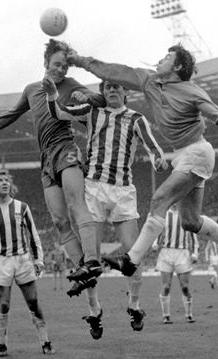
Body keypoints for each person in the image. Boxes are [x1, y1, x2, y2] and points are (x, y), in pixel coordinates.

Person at [67, 44, 218, 277]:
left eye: (167, 57)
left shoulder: (191, 91)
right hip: (183, 154)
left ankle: (130, 261)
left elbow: (214, 111)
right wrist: (80, 60)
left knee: (160, 199)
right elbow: (115, 72)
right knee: (190, 222)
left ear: (179, 66)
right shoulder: (149, 81)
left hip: (198, 152)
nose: (161, 60)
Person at [0, 38, 105, 299]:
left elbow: (98, 101)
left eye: (65, 66)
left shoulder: (70, 85)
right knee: (58, 220)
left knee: (76, 203)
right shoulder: (32, 89)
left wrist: (86, 96)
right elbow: (12, 113)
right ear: (46, 63)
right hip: (46, 159)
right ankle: (82, 268)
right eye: (57, 64)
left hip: (66, 148)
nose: (61, 70)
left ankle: (92, 261)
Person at [44, 78, 168, 336]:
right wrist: (53, 93)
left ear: (126, 91)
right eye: (107, 87)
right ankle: (94, 310)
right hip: (93, 189)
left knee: (133, 254)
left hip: (123, 191)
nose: (112, 90)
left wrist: (158, 160)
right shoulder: (92, 112)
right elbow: (59, 112)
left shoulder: (136, 119)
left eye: (117, 86)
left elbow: (153, 147)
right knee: (92, 259)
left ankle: (134, 305)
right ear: (102, 92)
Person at [0, 169, 53, 357]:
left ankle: (45, 342)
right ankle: (2, 346)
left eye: (7, 180)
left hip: (22, 259)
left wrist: (38, 260)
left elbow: (33, 234)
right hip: (0, 261)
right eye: (0, 180)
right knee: (4, 304)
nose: (4, 183)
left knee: (33, 302)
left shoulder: (22, 207)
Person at [153, 204, 199, 324]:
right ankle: (166, 316)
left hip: (182, 253)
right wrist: (155, 244)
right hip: (166, 253)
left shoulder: (186, 216)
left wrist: (195, 253)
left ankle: (189, 315)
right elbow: (158, 231)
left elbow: (193, 235)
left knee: (185, 287)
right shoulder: (164, 215)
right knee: (166, 287)